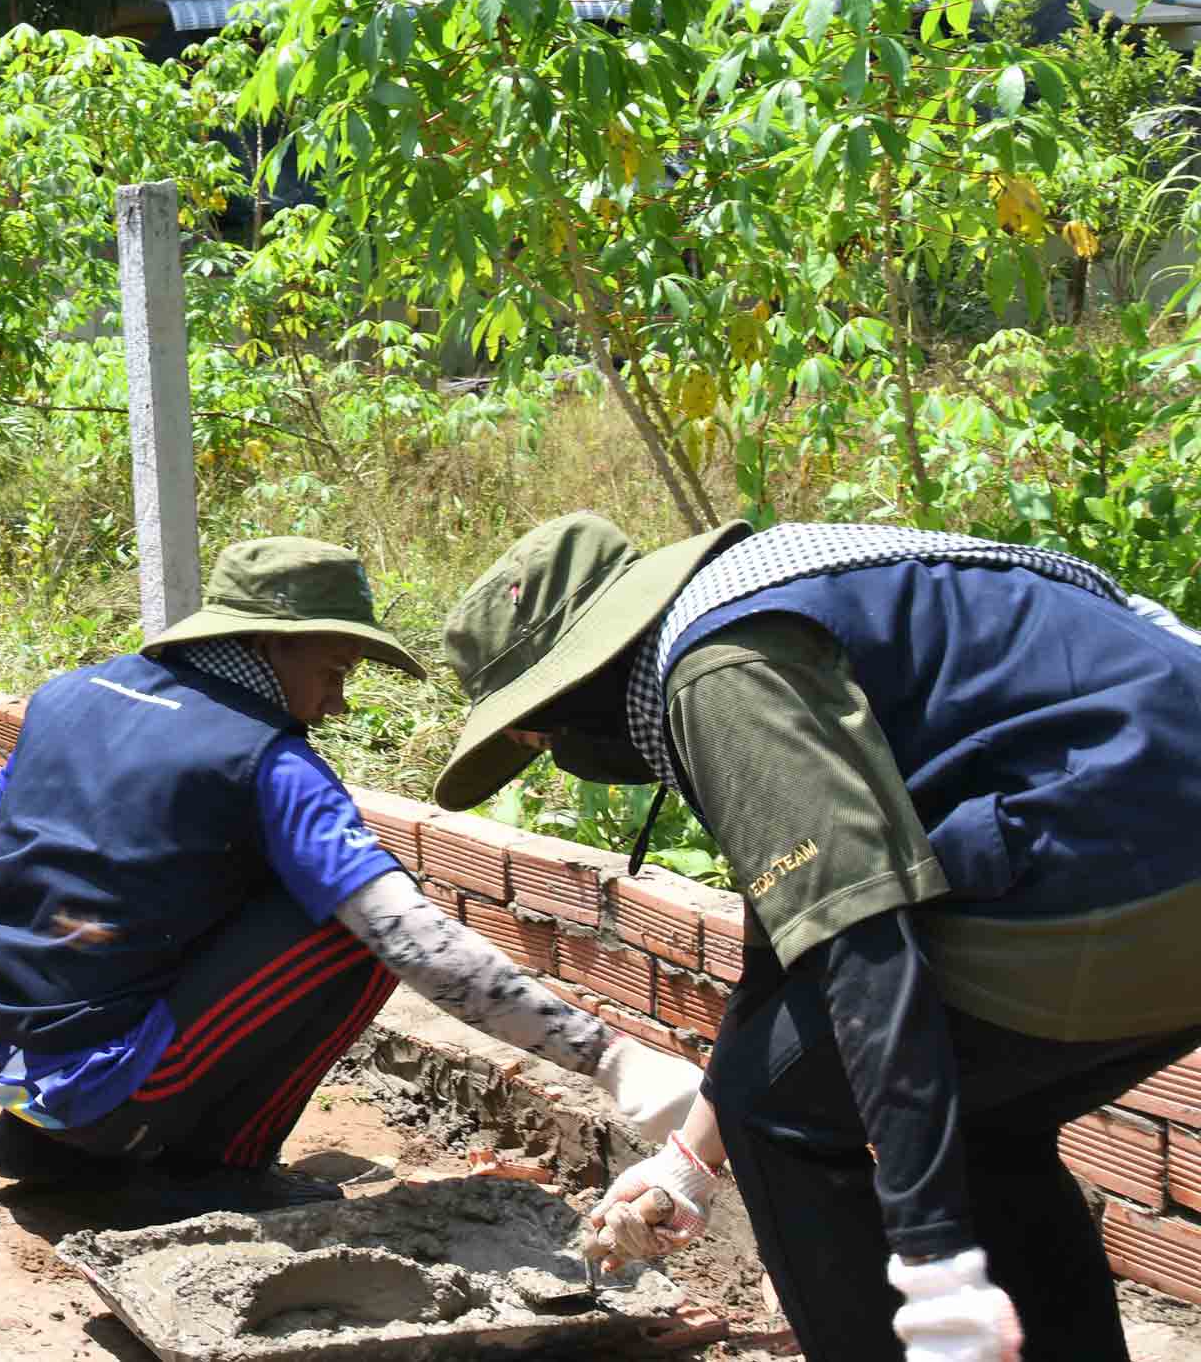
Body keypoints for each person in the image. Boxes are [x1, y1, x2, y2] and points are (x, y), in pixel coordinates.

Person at [436, 513, 1201, 1362]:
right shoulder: (774, 590)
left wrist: (934, 1262)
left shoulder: (718, 668)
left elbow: (864, 947)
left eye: (535, 725)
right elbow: (786, 950)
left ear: (583, 675)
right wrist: (689, 1159)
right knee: (987, 1122)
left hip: (1120, 871)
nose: (539, 745)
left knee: (780, 1113)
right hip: (1152, 868)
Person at [0, 538, 702, 1213]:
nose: (338, 703)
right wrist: (611, 1058)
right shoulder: (268, 763)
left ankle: (37, 1140)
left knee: (213, 897)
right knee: (352, 933)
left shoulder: (71, 693)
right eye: (334, 670)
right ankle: (218, 1168)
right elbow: (414, 938)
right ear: (275, 644)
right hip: (91, 1084)